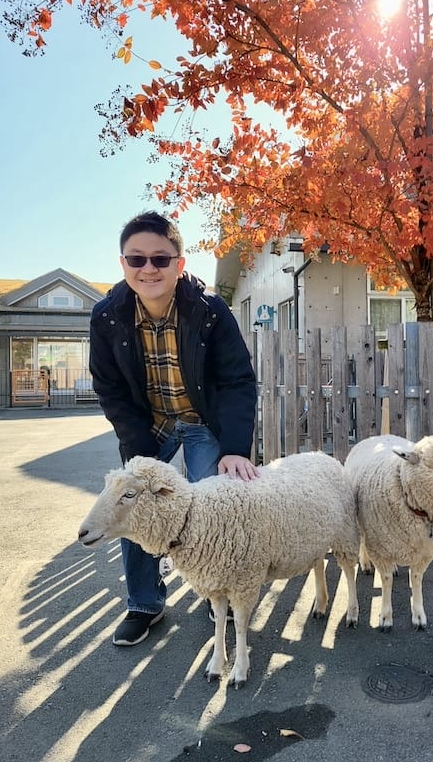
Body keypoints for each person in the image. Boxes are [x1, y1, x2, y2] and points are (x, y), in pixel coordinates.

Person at [90, 211, 259, 646]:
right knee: (134, 507)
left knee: (214, 503)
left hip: (203, 423)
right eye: (137, 259)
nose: (149, 269)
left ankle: (215, 587)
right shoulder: (106, 316)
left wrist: (235, 447)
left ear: (179, 264)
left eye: (161, 260)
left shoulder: (210, 311)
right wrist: (137, 446)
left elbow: (239, 379)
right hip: (151, 426)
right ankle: (144, 603)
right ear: (123, 263)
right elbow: (109, 388)